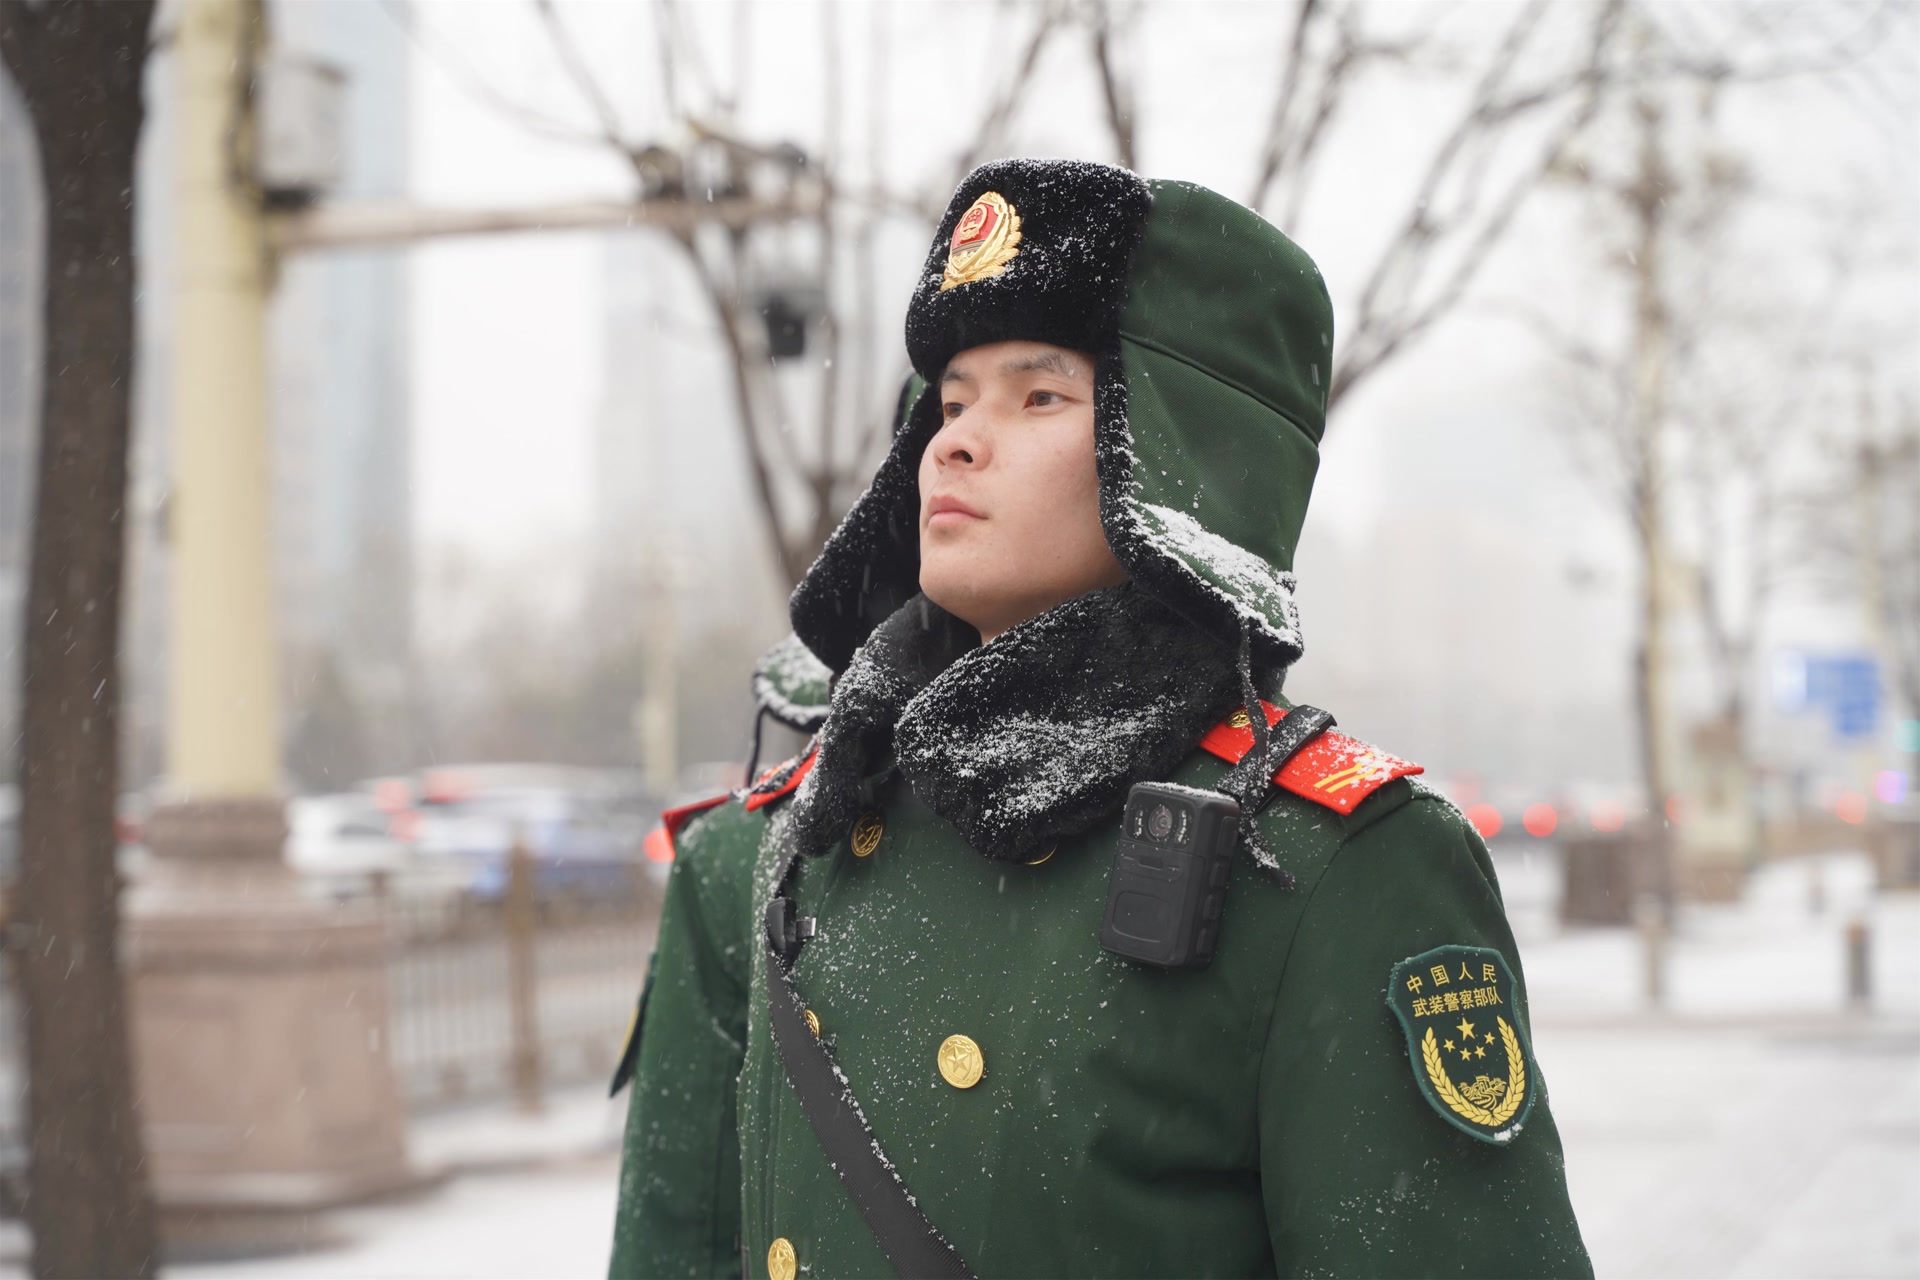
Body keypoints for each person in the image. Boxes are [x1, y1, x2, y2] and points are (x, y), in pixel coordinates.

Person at [609, 158, 1591, 1280]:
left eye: (1039, 397)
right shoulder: (774, 853)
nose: (955, 442)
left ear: (1172, 459)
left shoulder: (1329, 867)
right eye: (952, 402)